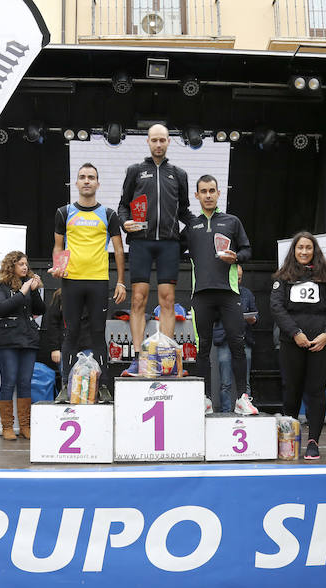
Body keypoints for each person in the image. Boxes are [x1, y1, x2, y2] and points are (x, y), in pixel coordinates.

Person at [118, 123, 193, 374]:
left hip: (169, 244)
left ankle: (167, 356)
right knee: (138, 299)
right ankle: (139, 357)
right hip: (141, 241)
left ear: (169, 141)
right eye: (154, 140)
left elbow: (183, 211)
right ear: (148, 142)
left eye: (162, 140)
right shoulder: (135, 171)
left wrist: (204, 227)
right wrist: (124, 222)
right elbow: (122, 207)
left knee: (168, 300)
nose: (158, 144)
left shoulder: (179, 173)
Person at [49, 163, 126, 399]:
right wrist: (59, 267)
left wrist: (121, 281)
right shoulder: (64, 212)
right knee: (70, 333)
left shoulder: (109, 214)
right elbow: (58, 245)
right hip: (71, 281)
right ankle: (65, 387)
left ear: (98, 183)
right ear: (77, 183)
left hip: (98, 280)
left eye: (91, 177)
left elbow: (119, 249)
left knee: (97, 333)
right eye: (82, 177)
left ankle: (102, 386)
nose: (86, 181)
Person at [182, 174, 255, 415]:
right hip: (201, 294)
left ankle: (243, 398)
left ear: (218, 193)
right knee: (202, 348)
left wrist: (237, 257)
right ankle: (204, 399)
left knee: (237, 345)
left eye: (212, 190)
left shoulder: (232, 221)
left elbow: (247, 249)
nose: (208, 195)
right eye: (203, 191)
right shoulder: (191, 227)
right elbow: (174, 249)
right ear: (197, 195)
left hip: (228, 293)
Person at [271, 232, 326, 460]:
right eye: (300, 247)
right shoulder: (282, 277)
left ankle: (313, 441)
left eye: (308, 248)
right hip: (292, 343)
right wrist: (295, 333)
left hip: (320, 345)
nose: (304, 251)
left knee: (316, 392)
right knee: (291, 391)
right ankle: (288, 439)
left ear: (314, 251)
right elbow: (277, 308)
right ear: (294, 250)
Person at [0, 251, 45, 440]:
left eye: (26, 264)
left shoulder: (29, 283)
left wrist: (35, 291)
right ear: (11, 266)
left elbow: (40, 309)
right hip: (7, 339)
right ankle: (7, 426)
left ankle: (25, 426)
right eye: (21, 264)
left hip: (28, 338)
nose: (25, 267)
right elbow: (1, 309)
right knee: (9, 381)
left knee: (25, 382)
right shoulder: (0, 284)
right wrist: (22, 293)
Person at [212, 264, 257, 413]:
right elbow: (213, 316)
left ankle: (246, 408)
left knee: (246, 381)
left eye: (239, 277)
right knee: (225, 381)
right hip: (225, 339)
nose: (237, 280)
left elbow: (255, 315)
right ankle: (225, 412)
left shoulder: (247, 293)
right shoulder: (219, 294)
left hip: (244, 339)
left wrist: (252, 319)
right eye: (235, 277)